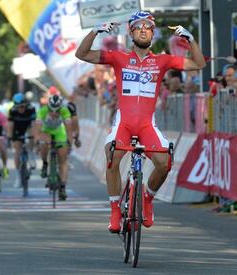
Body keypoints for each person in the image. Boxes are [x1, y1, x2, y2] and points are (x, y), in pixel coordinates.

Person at [75, 10, 206, 233]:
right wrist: (94, 32)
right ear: (131, 31)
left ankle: (147, 197)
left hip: (146, 124)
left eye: (148, 27)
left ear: (152, 34)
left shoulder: (162, 60)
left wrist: (190, 39)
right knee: (112, 155)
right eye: (139, 27)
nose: (143, 30)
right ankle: (115, 209)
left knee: (165, 163)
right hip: (124, 122)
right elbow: (82, 54)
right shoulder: (119, 57)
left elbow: (199, 63)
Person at [34, 95, 73, 200]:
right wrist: (37, 142)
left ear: (61, 108)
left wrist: (70, 143)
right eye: (52, 110)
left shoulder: (65, 111)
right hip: (46, 131)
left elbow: (69, 129)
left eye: (57, 111)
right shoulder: (42, 111)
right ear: (48, 107)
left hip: (59, 133)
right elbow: (37, 130)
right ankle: (45, 163)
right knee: (44, 142)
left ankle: (63, 187)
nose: (54, 113)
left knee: (63, 159)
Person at [7, 93, 37, 188]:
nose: (20, 109)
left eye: (22, 106)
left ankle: (31, 153)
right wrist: (9, 138)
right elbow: (10, 126)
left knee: (31, 135)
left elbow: (34, 125)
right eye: (18, 107)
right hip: (17, 128)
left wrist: (35, 138)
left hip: (28, 127)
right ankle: (18, 177)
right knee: (17, 152)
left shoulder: (31, 109)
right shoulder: (12, 110)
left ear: (26, 104)